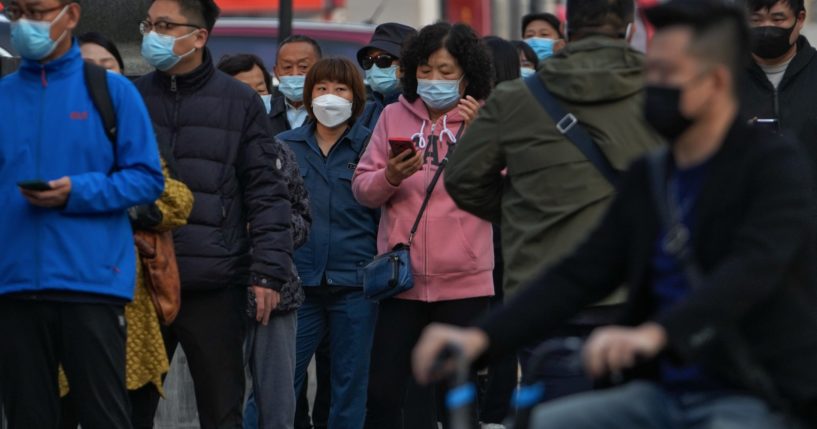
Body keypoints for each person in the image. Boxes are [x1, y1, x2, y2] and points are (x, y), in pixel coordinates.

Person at [414, 1, 817, 428]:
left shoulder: (772, 165)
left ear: (716, 82)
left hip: (753, 391)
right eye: (650, 71)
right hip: (660, 391)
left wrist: (657, 334)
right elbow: (582, 271)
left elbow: (753, 268)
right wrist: (481, 338)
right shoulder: (654, 173)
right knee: (543, 421)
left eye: (664, 75)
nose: (649, 85)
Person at [446, 0, 660, 401]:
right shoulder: (667, 93)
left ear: (567, 32)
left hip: (544, 291)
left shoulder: (515, 99)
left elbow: (462, 177)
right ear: (630, 31)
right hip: (639, 289)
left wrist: (527, 212)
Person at [0, 0, 165, 428]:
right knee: (26, 417)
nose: (23, 24)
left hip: (91, 283)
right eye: (14, 11)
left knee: (103, 416)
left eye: (35, 12)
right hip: (13, 285)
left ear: (70, 15)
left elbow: (147, 180)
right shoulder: (4, 96)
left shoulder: (112, 91)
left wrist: (78, 191)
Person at [134, 1, 294, 428]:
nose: (153, 34)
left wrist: (267, 273)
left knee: (222, 410)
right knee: (129, 410)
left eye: (166, 26)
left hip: (215, 281)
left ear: (199, 36)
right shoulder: (131, 96)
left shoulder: (239, 101)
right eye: (149, 24)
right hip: (141, 278)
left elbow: (266, 191)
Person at [352, 22, 494, 429]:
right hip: (401, 279)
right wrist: (390, 177)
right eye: (426, 70)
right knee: (384, 391)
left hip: (465, 279)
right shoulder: (394, 115)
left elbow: (508, 186)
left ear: (467, 74)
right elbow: (362, 188)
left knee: (457, 396)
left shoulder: (486, 117)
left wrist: (482, 136)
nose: (434, 81)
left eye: (447, 72)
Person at [55, 32, 195, 429]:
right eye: (84, 68)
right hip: (54, 305)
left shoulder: (136, 136)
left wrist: (102, 199)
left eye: (107, 67)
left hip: (128, 310)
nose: (97, 78)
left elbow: (177, 202)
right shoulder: (43, 134)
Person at [275, 57, 377, 429]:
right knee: (280, 382)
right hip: (298, 284)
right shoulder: (283, 146)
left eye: (340, 89)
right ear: (308, 95)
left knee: (349, 387)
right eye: (321, 89)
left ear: (355, 98)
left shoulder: (372, 146)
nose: (329, 97)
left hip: (356, 284)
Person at [217, 52, 312, 429]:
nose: (253, 98)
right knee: (222, 401)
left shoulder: (280, 153)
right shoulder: (204, 149)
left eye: (260, 89)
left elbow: (303, 219)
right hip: (220, 291)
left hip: (278, 292)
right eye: (243, 90)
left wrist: (271, 226)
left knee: (278, 405)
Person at [476, 36, 522, 429]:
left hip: (497, 230)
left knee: (497, 320)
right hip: (493, 231)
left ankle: (492, 412)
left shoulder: (509, 112)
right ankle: (491, 412)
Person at [741, 0, 817, 195]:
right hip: (744, 218)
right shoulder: (723, 79)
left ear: (800, 19)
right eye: (756, 20)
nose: (766, 28)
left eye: (777, 19)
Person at [357, 22, 418, 130]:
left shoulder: (423, 110)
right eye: (368, 61)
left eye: (383, 60)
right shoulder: (365, 114)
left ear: (407, 64)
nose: (374, 67)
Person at [270, 35, 323, 137]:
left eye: (303, 66)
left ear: (320, 69)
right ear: (276, 72)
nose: (295, 73)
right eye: (287, 67)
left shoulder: (332, 111)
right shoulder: (265, 112)